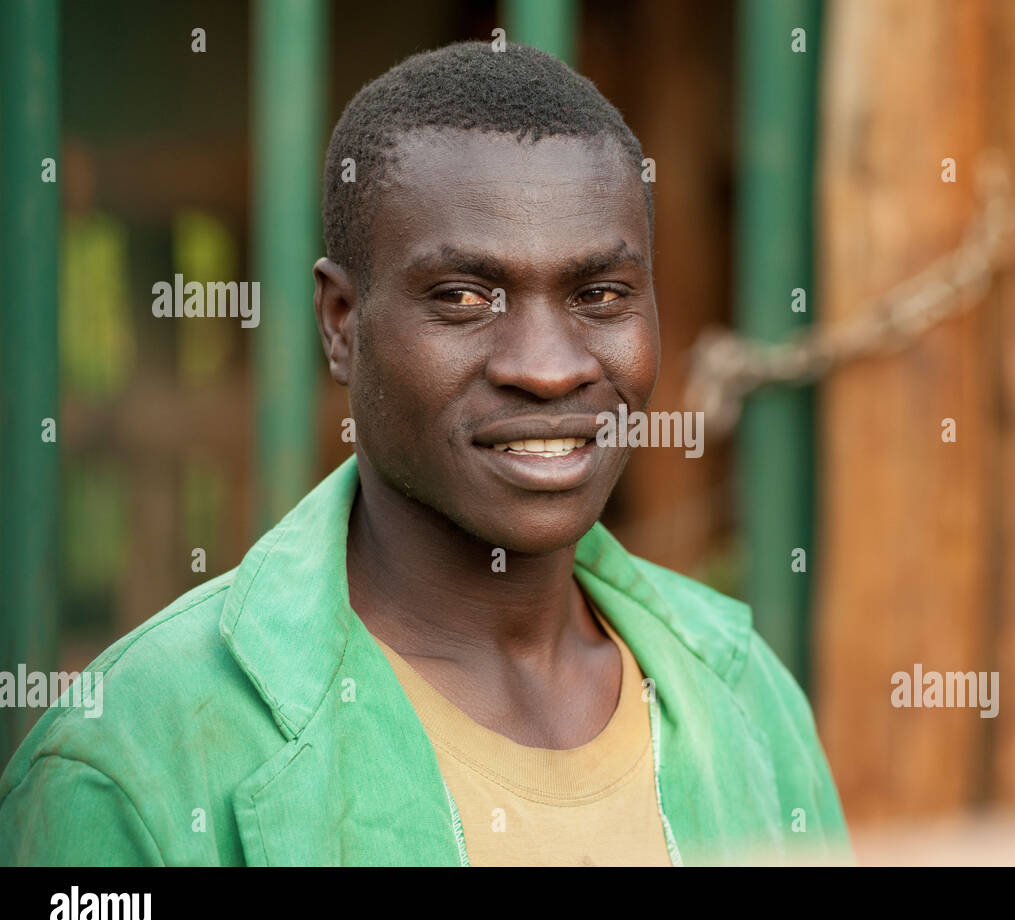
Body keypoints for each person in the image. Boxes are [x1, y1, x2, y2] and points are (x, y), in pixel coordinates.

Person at [0, 41, 851, 866]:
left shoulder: (742, 692)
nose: (549, 369)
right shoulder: (135, 760)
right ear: (341, 323)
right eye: (465, 297)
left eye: (599, 295)